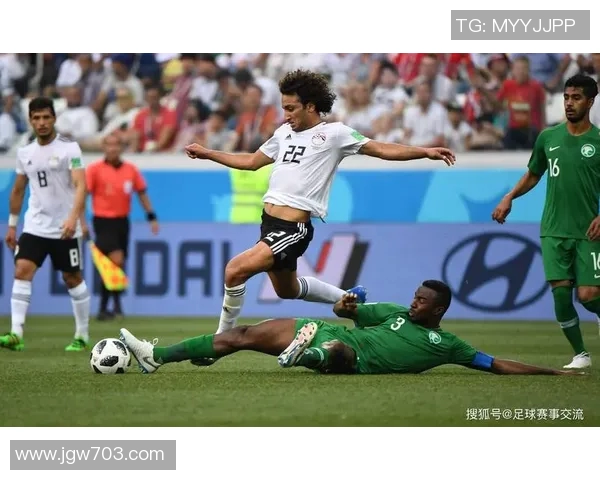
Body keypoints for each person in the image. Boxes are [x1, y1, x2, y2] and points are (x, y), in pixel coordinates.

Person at [184, 69, 456, 365]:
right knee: (287, 290)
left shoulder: (335, 134)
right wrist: (208, 153)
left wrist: (424, 152)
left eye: (291, 108)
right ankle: (348, 298)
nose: (286, 115)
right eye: (283, 108)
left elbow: (380, 148)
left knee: (235, 270)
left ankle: (219, 342)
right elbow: (251, 162)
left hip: (293, 228)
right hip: (269, 224)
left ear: (310, 106)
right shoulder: (283, 133)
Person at [119, 280, 583, 376]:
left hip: (354, 358)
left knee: (341, 355)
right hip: (322, 329)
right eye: (414, 296)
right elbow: (348, 311)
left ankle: (306, 355)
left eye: (422, 301)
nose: (414, 303)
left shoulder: (447, 344)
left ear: (438, 311)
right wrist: (346, 304)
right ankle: (155, 357)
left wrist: (553, 373)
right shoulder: (393, 312)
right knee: (241, 335)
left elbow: (494, 363)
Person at [492, 74, 600, 370]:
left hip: (589, 231)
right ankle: (581, 354)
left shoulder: (598, 141)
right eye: (566, 97)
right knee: (561, 295)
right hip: (553, 229)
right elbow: (533, 174)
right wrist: (509, 197)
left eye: (576, 98)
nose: (569, 103)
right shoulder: (548, 138)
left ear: (590, 102)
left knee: (589, 296)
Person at [1, 97, 90, 352]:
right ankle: (16, 333)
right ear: (30, 120)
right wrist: (12, 225)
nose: (41, 123)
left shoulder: (69, 149)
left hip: (64, 228)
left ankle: (82, 335)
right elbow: (18, 190)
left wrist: (73, 218)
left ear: (54, 119)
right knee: (22, 270)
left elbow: (80, 185)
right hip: (35, 226)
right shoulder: (25, 153)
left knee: (72, 278)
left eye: (46, 117)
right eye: (36, 118)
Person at [84, 133, 159, 320]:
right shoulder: (94, 170)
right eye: (109, 145)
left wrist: (151, 216)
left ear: (121, 148)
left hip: (122, 222)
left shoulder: (130, 170)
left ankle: (108, 307)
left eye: (116, 145)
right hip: (103, 221)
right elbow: (82, 195)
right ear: (104, 148)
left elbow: (142, 193)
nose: (112, 149)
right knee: (114, 261)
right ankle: (111, 306)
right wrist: (81, 221)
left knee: (117, 264)